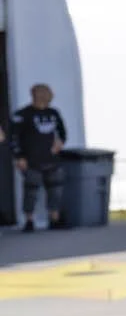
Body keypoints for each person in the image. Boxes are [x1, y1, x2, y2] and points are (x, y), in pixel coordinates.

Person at [10, 82, 69, 230]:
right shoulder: (22, 115)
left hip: (51, 159)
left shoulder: (53, 113)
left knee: (55, 189)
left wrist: (60, 143)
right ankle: (29, 220)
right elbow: (13, 137)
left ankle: (54, 218)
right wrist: (19, 156)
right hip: (31, 159)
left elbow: (62, 132)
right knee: (31, 190)